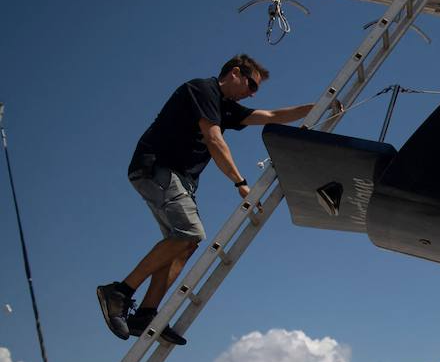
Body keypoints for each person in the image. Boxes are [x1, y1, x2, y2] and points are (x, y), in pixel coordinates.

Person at [95, 55, 311, 345]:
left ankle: (146, 313)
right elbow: (214, 139)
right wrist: (240, 182)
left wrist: (319, 107)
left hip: (178, 179)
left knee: (184, 244)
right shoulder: (203, 90)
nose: (252, 93)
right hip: (157, 168)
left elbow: (271, 117)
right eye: (251, 85)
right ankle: (119, 292)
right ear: (235, 73)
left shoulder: (225, 107)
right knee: (190, 233)